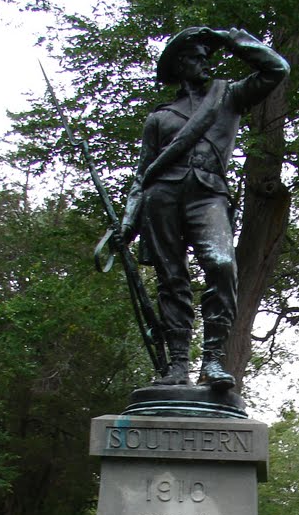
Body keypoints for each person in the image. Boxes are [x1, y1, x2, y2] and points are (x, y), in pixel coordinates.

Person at [120, 26, 289, 390]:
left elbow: (277, 70)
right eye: (196, 57)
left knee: (223, 265)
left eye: (205, 56)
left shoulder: (227, 95)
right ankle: (178, 365)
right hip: (161, 197)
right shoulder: (159, 117)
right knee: (171, 279)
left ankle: (213, 359)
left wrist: (232, 38)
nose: (204, 62)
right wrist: (128, 220)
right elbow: (141, 174)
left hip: (208, 192)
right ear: (180, 65)